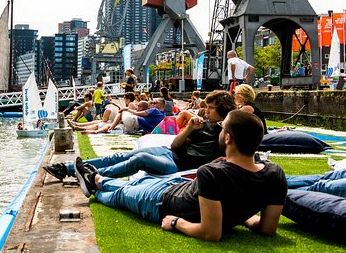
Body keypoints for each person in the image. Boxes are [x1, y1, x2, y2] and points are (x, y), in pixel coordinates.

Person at [74, 110, 287, 241]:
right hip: (175, 187)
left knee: (121, 195)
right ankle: (98, 179)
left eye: (222, 128)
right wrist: (246, 218)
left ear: (228, 138)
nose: (219, 131)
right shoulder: (274, 173)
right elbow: (268, 229)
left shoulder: (213, 173)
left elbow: (210, 233)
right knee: (134, 185)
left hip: (162, 201)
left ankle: (94, 184)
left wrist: (177, 223)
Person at [44, 90, 236, 181]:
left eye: (211, 108)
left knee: (140, 158)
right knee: (123, 155)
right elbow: (176, 145)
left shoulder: (228, 132)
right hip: (171, 153)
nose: (207, 111)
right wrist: (189, 129)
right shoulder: (203, 125)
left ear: (222, 109)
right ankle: (67, 168)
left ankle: (91, 175)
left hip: (180, 165)